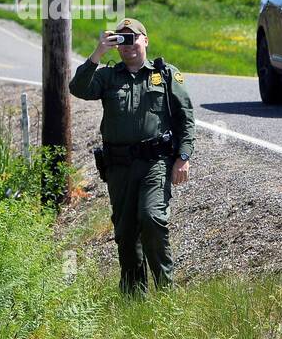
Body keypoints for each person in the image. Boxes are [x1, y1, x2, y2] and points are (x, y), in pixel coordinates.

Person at [69, 18, 195, 294]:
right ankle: (133, 295)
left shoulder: (166, 74)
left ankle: (165, 291)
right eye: (122, 40)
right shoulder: (107, 76)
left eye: (133, 38)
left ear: (145, 40)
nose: (129, 46)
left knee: (151, 218)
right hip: (119, 166)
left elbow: (186, 120)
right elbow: (77, 88)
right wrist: (97, 53)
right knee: (125, 233)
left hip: (155, 163)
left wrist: (183, 158)